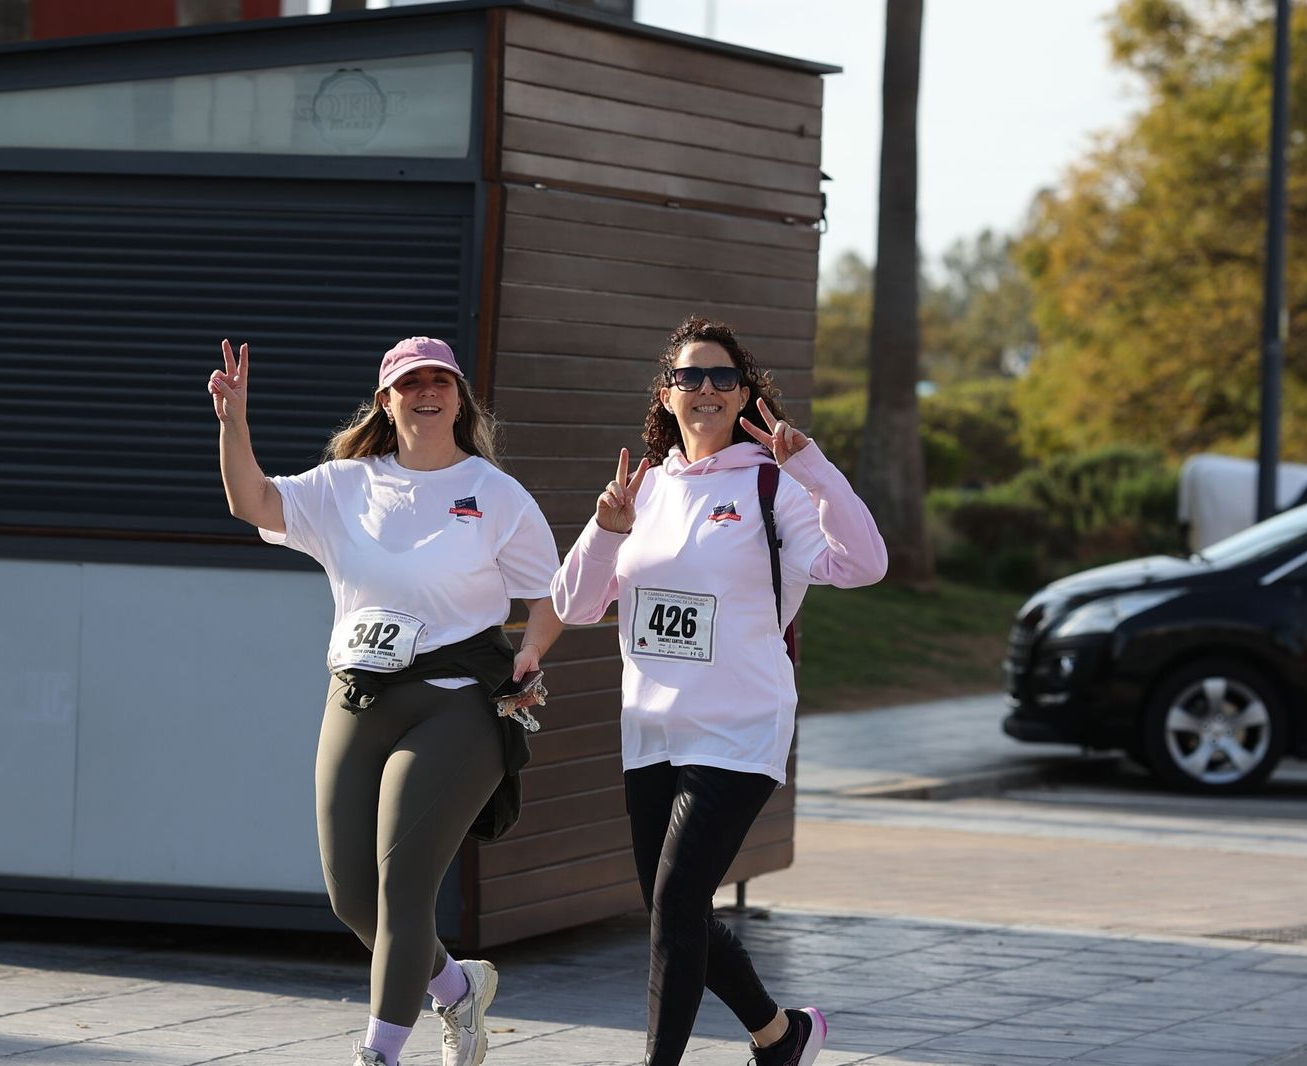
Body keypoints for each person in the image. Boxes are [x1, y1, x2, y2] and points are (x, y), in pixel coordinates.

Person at [207, 336, 562, 1066]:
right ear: (385, 399)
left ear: (460, 398)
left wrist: (531, 650)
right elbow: (253, 502)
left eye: (441, 381)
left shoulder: (494, 494)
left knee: (404, 887)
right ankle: (458, 989)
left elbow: (549, 595)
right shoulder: (344, 484)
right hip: (358, 694)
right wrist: (233, 424)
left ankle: (379, 1054)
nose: (425, 393)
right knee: (350, 896)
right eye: (410, 383)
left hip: (457, 701)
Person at [550, 317, 888, 1066]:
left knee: (674, 905)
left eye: (722, 378)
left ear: (745, 393)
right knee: (678, 910)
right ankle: (780, 1035)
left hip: (740, 727)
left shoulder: (774, 485)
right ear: (666, 396)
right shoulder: (646, 488)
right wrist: (607, 531)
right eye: (689, 378)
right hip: (651, 731)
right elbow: (573, 605)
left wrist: (818, 472)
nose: (706, 390)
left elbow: (866, 564)